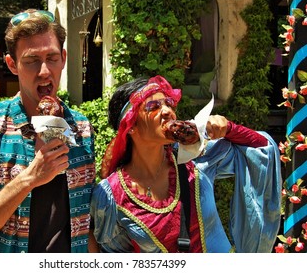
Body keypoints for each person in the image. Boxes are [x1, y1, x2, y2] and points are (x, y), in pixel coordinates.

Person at [0, 9, 96, 253]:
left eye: (51, 58)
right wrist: (30, 178)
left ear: (63, 58)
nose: (44, 71)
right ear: (12, 64)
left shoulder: (81, 127)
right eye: (31, 61)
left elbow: (83, 223)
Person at [90, 75, 282, 253]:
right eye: (153, 107)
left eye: (169, 103)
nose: (168, 112)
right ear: (130, 126)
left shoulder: (196, 158)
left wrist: (229, 129)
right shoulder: (110, 196)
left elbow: (262, 149)